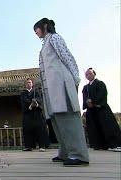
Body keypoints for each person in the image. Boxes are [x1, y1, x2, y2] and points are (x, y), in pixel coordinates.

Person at [34, 18, 89, 166]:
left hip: (62, 83)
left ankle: (78, 154)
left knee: (68, 117)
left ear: (44, 26)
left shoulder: (55, 38)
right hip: (51, 87)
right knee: (57, 119)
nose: (36, 33)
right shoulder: (44, 43)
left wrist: (75, 78)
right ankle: (65, 151)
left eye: (36, 29)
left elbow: (67, 57)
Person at [82, 68, 121, 152]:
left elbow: (102, 94)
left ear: (94, 74)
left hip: (101, 108)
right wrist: (87, 102)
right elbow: (85, 97)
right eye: (86, 74)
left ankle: (115, 144)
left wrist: (93, 102)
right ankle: (99, 145)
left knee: (107, 126)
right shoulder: (85, 87)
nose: (88, 75)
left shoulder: (100, 83)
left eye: (90, 73)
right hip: (91, 111)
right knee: (94, 128)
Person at [20, 78, 48, 152]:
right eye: (27, 83)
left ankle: (42, 146)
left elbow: (40, 100)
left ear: (32, 83)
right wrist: (30, 105)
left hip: (37, 113)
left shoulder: (36, 91)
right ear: (25, 84)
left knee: (40, 129)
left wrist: (36, 103)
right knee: (27, 129)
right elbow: (24, 101)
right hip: (28, 113)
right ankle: (28, 146)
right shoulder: (23, 93)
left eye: (30, 82)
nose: (28, 84)